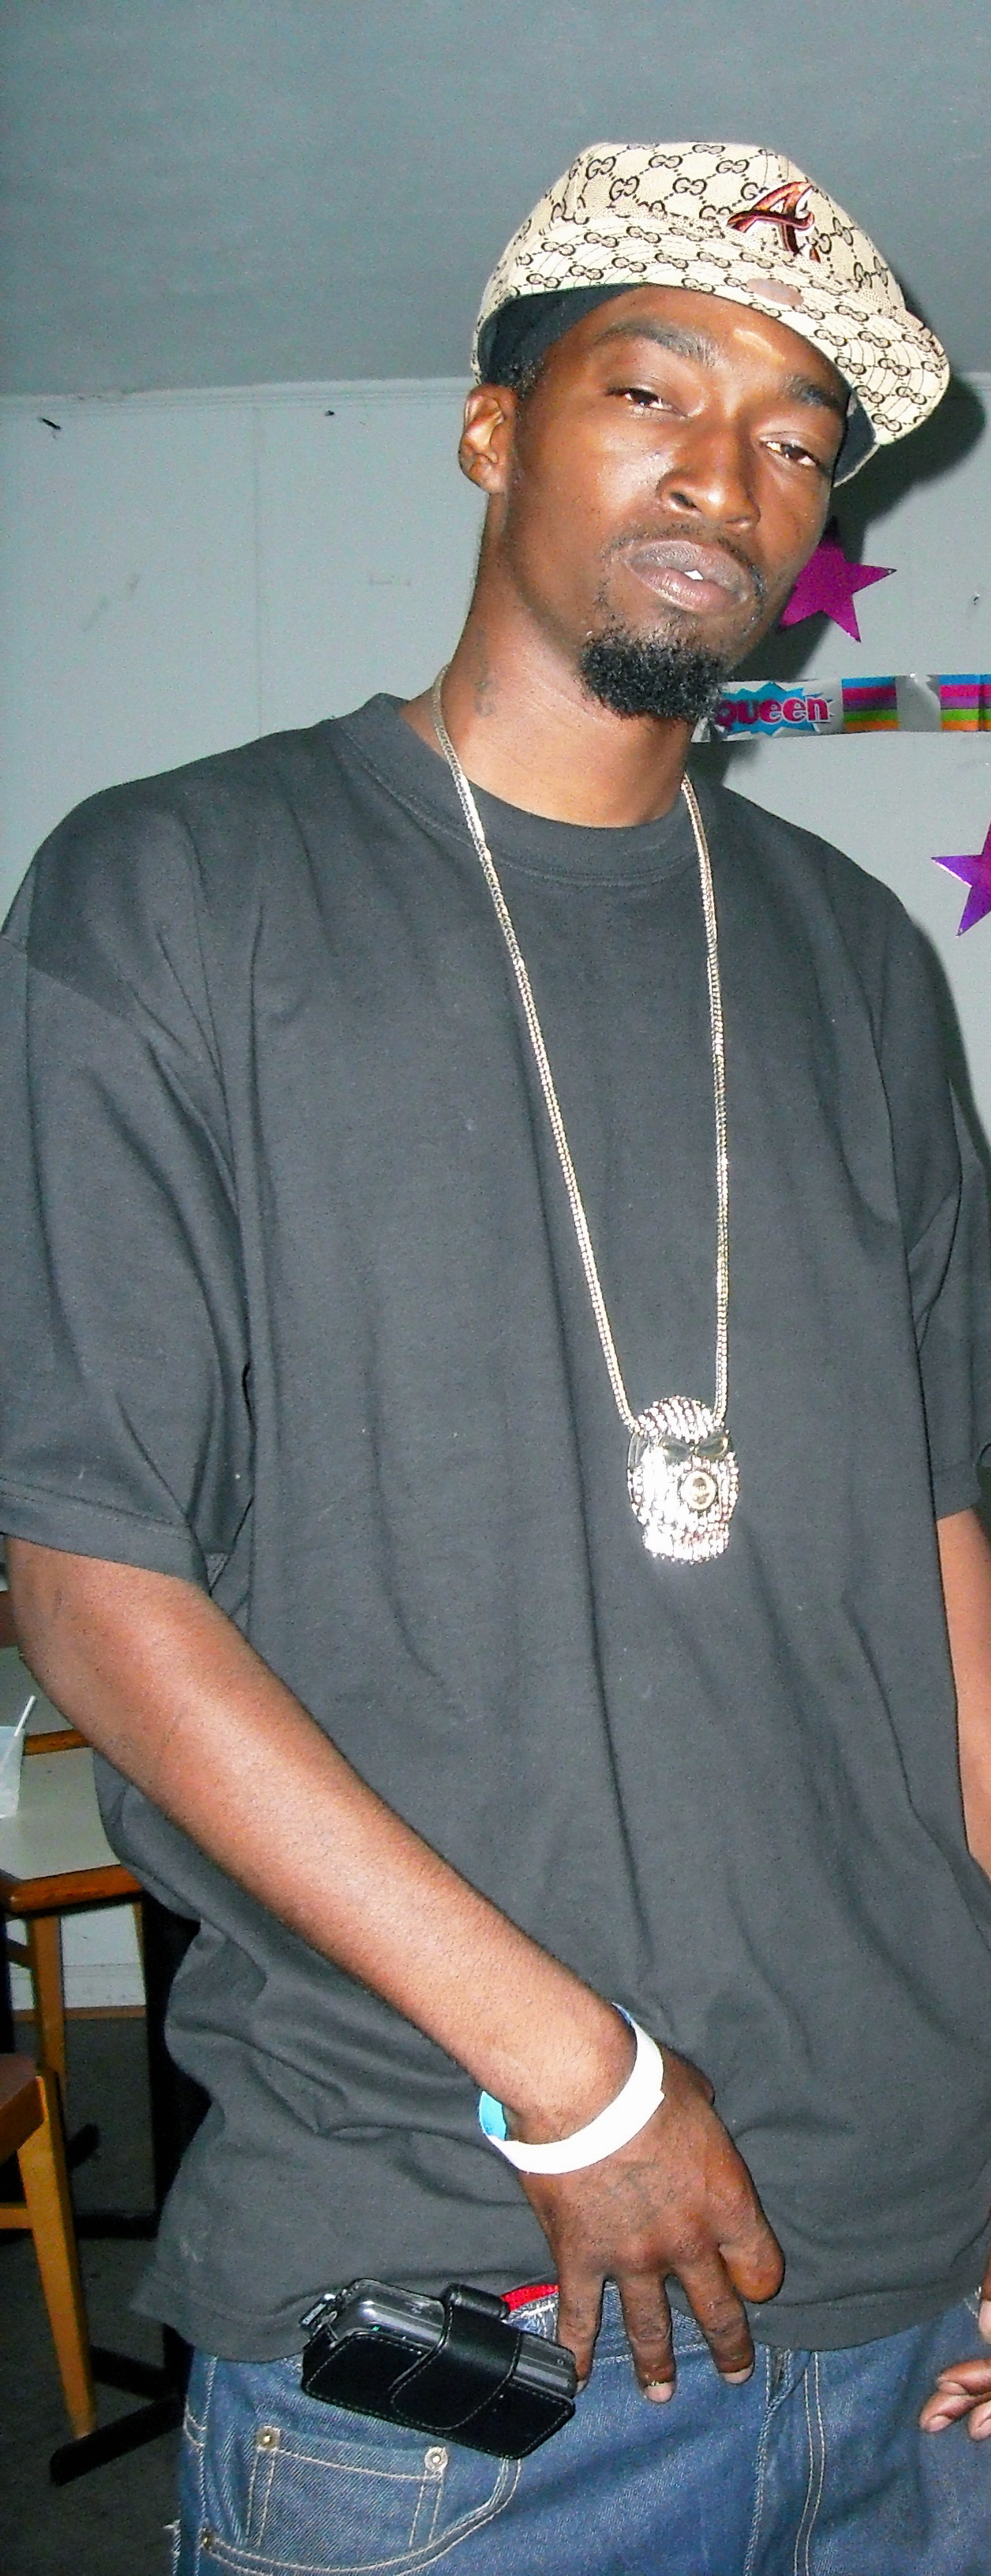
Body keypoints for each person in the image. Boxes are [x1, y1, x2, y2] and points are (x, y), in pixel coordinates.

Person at [2, 140, 991, 2572]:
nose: (726, 473)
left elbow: (953, 1583)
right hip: (468, 2296)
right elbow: (92, 1574)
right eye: (651, 389)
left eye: (795, 438)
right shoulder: (173, 892)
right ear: (489, 431)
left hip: (921, 2287)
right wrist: (583, 2079)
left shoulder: (862, 965)